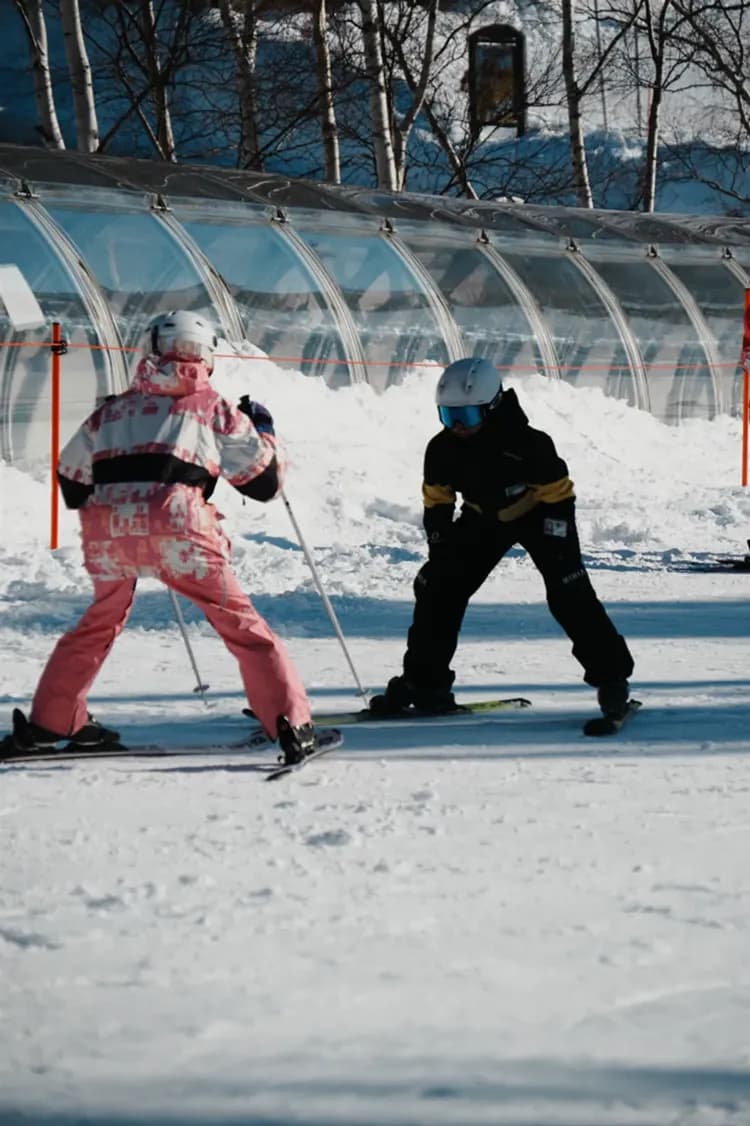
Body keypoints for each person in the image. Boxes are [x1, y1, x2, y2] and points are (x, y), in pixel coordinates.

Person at [1, 310, 317, 765]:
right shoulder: (213, 408)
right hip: (180, 529)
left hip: (108, 530)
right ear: (208, 356)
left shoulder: (112, 410)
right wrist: (263, 432)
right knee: (241, 627)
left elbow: (70, 477)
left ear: (149, 349)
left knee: (97, 624)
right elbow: (262, 483)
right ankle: (289, 721)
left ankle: (51, 723)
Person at [369, 356, 634, 719]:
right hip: (484, 517)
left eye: (467, 417)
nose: (457, 427)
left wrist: (559, 551)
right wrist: (441, 543)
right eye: (448, 416)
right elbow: (437, 501)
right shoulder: (442, 448)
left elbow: (558, 498)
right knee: (437, 586)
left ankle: (613, 679)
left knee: (568, 592)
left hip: (539, 513)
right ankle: (425, 683)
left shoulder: (530, 444)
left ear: (492, 407)